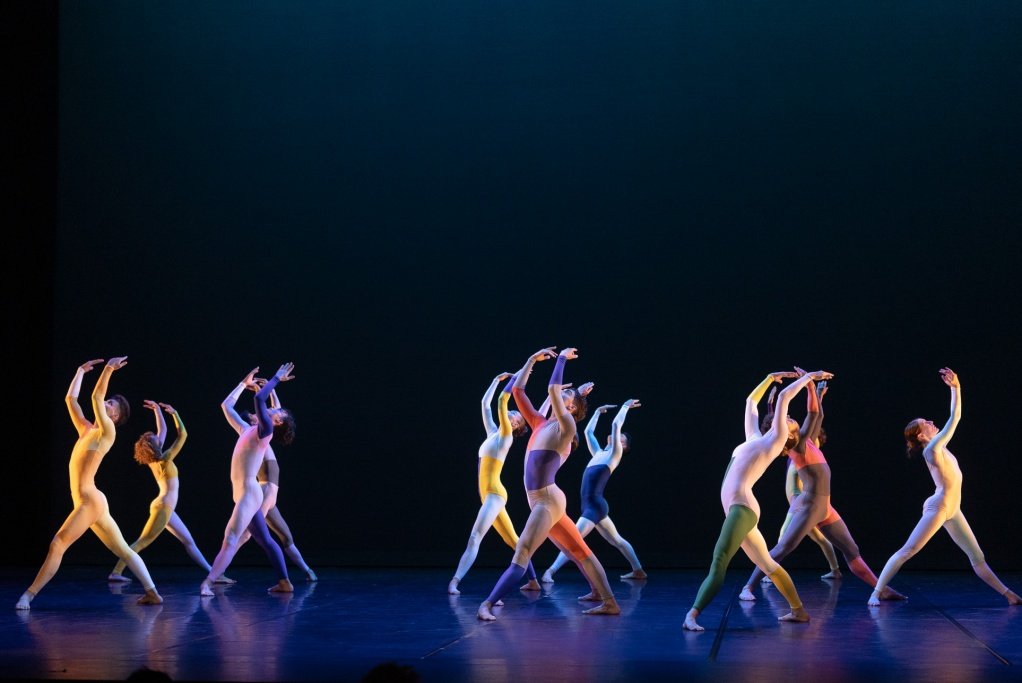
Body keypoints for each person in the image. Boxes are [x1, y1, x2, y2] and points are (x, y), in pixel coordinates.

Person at [477, 347, 620, 621]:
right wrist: (530, 360)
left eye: (567, 398)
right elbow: (518, 394)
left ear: (571, 409)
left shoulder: (566, 427)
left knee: (523, 551)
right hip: (547, 500)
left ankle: (488, 603)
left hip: (546, 501)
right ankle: (609, 601)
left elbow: (554, 389)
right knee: (580, 551)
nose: (561, 397)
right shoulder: (540, 423)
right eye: (564, 395)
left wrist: (562, 359)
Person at [683, 369, 830, 632]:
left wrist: (811, 377)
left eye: (790, 421)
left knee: (719, 560)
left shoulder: (774, 442)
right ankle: (799, 610)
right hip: (740, 507)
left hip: (742, 508)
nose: (786, 418)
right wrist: (769, 378)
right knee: (768, 564)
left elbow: (785, 396)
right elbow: (751, 402)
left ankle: (692, 615)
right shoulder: (754, 439)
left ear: (788, 434)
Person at [739, 374, 905, 602]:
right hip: (810, 505)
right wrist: (808, 380)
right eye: (786, 419)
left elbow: (817, 414)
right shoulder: (796, 444)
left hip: (824, 506)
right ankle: (748, 586)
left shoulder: (806, 439)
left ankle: (880, 589)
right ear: (783, 433)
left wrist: (812, 389)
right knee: (783, 547)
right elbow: (812, 414)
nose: (788, 416)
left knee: (851, 549)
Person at [16, 358, 163, 609]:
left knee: (58, 543)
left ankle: (28, 595)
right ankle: (152, 593)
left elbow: (95, 397)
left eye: (110, 405)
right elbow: (70, 400)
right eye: (107, 401)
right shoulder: (86, 430)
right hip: (94, 500)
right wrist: (79, 372)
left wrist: (107, 370)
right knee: (124, 551)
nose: (105, 404)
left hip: (89, 501)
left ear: (114, 417)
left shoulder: (107, 432)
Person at [868, 368, 1021, 607]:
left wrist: (955, 388)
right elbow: (955, 419)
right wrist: (955, 388)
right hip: (938, 507)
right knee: (908, 550)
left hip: (952, 508)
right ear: (920, 436)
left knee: (977, 556)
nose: (930, 422)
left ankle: (1009, 595)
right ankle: (876, 592)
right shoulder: (932, 449)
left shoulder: (941, 446)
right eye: (925, 423)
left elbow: (953, 418)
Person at [199, 365, 296, 597]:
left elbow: (260, 400)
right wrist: (243, 383)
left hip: (250, 493)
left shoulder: (266, 432)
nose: (275, 409)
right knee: (265, 539)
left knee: (231, 537)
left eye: (278, 411)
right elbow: (226, 406)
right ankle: (285, 582)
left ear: (278, 422)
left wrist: (276, 379)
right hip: (242, 492)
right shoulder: (246, 429)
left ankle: (208, 582)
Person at [108, 401, 231, 584]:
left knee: (189, 542)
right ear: (153, 446)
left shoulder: (154, 460)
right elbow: (183, 434)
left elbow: (162, 431)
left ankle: (214, 574)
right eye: (155, 438)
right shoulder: (165, 459)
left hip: (166, 508)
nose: (159, 437)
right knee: (143, 541)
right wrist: (175, 414)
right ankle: (116, 572)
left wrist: (158, 411)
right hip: (163, 507)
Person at [448, 372, 541, 595]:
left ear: (516, 426)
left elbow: (501, 401)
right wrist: (494, 381)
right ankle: (534, 580)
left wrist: (516, 379)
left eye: (516, 416)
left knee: (475, 536)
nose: (511, 414)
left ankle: (455, 581)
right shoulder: (493, 433)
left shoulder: (506, 436)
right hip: (489, 494)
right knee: (515, 542)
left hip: (494, 495)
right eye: (512, 413)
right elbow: (485, 404)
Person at [541, 399, 646, 583]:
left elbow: (615, 423)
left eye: (621, 439)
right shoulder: (598, 454)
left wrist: (624, 407)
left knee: (572, 538)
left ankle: (550, 571)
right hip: (593, 505)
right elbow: (588, 432)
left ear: (624, 447)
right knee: (617, 541)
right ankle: (638, 570)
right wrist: (596, 412)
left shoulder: (614, 455)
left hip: (594, 506)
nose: (616, 437)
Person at [223, 378, 317, 582]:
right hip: (264, 492)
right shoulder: (257, 436)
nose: (257, 415)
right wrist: (263, 389)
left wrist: (264, 390)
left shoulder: (266, 432)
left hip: (271, 496)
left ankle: (307, 571)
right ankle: (219, 570)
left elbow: (277, 412)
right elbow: (272, 412)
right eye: (254, 416)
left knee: (286, 537)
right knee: (249, 534)